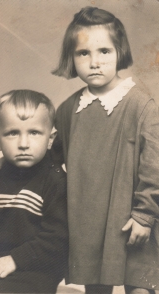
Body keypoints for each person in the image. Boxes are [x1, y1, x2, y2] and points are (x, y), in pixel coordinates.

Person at [51, 6, 159, 294]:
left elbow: (154, 166)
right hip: (89, 220)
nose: (94, 62)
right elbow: (50, 161)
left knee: (140, 285)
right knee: (96, 286)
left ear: (119, 52)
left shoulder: (140, 105)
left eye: (104, 51)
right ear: (71, 58)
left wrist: (144, 215)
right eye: (83, 53)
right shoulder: (68, 109)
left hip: (133, 219)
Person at [0, 90, 68, 293]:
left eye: (34, 132)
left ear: (51, 137)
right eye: (12, 133)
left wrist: (16, 259)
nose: (23, 144)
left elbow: (57, 238)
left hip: (34, 267)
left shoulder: (55, 180)